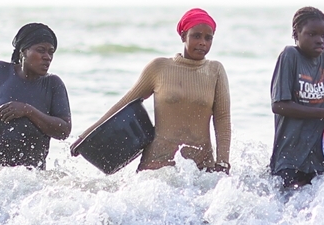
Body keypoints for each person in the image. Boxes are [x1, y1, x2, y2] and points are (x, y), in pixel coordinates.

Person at [72, 9, 231, 172]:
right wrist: (86, 135)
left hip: (201, 168)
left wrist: (223, 162)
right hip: (157, 166)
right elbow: (125, 103)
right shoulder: (159, 68)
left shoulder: (215, 71)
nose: (203, 42)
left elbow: (222, 118)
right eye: (196, 36)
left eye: (208, 38)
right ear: (183, 36)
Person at [0, 23, 71, 169]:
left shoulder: (53, 84)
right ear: (23, 51)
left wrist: (28, 111)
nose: (47, 57)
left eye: (51, 52)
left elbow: (64, 130)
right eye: (41, 50)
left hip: (27, 181)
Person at [270, 7, 324, 188]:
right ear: (296, 33)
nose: (320, 40)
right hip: (290, 155)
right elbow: (279, 105)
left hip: (320, 156)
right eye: (312, 34)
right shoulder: (290, 56)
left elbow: (323, 102)